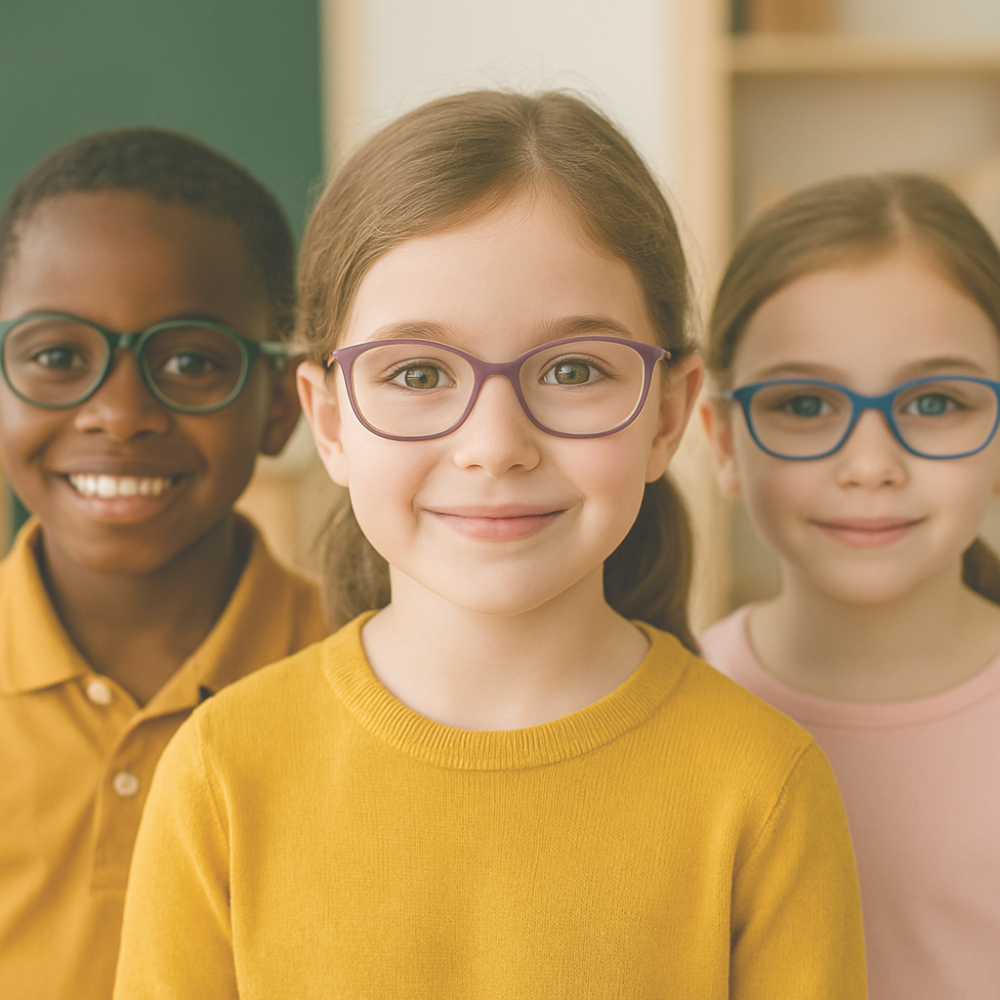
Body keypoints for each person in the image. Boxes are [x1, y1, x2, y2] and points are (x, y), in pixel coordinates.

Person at [114, 91, 866, 999]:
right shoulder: (221, 772)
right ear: (330, 421)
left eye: (574, 370)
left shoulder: (764, 783)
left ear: (669, 413)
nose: (496, 443)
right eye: (419, 374)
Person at [0, 127, 328, 1000]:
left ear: (281, 408)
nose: (118, 413)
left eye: (189, 362)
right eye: (58, 356)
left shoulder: (363, 678)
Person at [699, 173, 1000, 1000]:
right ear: (722, 441)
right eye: (803, 404)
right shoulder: (681, 704)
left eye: (936, 400)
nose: (871, 466)